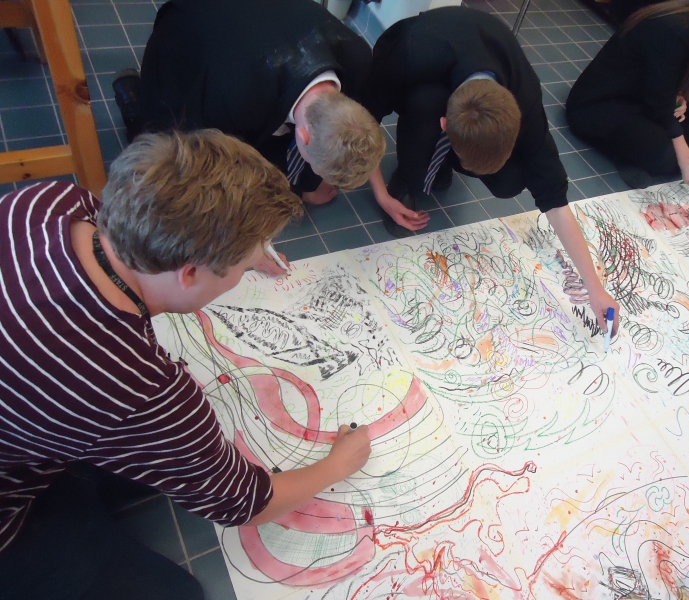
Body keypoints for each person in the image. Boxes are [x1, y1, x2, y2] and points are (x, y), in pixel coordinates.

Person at [0, 130, 372, 600]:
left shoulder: (43, 204)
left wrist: (237, 249)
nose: (245, 274)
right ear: (190, 272)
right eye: (242, 267)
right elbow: (244, 503)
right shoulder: (140, 387)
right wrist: (338, 465)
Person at [361, 6, 619, 334]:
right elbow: (364, 120)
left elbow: (555, 199)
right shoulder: (409, 52)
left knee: (510, 181)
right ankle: (413, 174)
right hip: (425, 74)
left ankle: (441, 164)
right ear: (445, 125)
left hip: (472, 71)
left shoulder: (525, 96)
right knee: (423, 101)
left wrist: (595, 289)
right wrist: (382, 195)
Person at [115, 0, 384, 207]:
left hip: (265, 23)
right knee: (170, 157)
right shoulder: (235, 101)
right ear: (303, 135)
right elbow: (216, 164)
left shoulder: (358, 56)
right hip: (189, 24)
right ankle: (135, 107)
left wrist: (307, 187)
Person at [566, 0, 689, 189]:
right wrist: (686, 160)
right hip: (598, 106)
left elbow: (663, 81)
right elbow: (659, 103)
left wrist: (679, 97)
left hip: (637, 99)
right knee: (661, 153)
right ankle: (631, 157)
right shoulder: (674, 30)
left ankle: (645, 155)